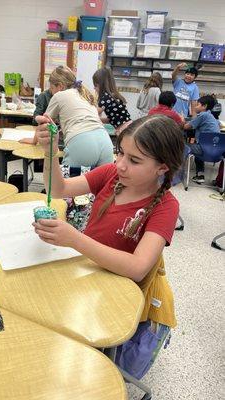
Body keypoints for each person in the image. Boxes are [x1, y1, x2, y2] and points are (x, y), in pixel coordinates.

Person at [34, 114, 184, 378]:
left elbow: (137, 268)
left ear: (162, 167)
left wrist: (75, 239)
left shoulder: (165, 206)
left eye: (134, 160)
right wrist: (51, 154)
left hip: (115, 296)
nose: (121, 165)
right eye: (120, 153)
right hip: (86, 275)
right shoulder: (112, 174)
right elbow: (58, 189)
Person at [44, 65, 113, 168]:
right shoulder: (85, 94)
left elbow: (45, 123)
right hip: (105, 140)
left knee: (65, 183)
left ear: (60, 86)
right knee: (101, 182)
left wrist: (33, 140)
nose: (51, 91)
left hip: (82, 142)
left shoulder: (59, 96)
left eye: (52, 88)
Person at [184, 95, 221, 183]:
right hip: (217, 153)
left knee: (183, 142)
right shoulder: (212, 117)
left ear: (204, 106)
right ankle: (200, 174)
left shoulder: (203, 115)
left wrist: (182, 119)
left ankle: (176, 170)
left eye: (197, 104)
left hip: (204, 150)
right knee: (199, 144)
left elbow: (186, 127)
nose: (195, 107)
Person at [92, 66, 131, 134]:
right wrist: (99, 119)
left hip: (123, 129)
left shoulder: (106, 98)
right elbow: (112, 119)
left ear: (102, 85)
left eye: (95, 85)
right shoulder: (114, 96)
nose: (94, 88)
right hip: (128, 126)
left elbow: (93, 113)